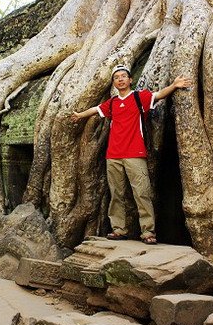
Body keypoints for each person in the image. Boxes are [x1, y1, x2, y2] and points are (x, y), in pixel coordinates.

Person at [71, 64, 192, 245]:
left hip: (135, 153)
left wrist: (174, 86)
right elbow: (96, 110)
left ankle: (148, 232)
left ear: (130, 79)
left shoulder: (138, 97)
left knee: (142, 193)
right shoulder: (112, 103)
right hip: (113, 155)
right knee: (116, 194)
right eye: (116, 77)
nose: (120, 79)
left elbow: (158, 95)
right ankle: (119, 230)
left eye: (123, 76)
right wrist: (80, 115)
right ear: (113, 82)